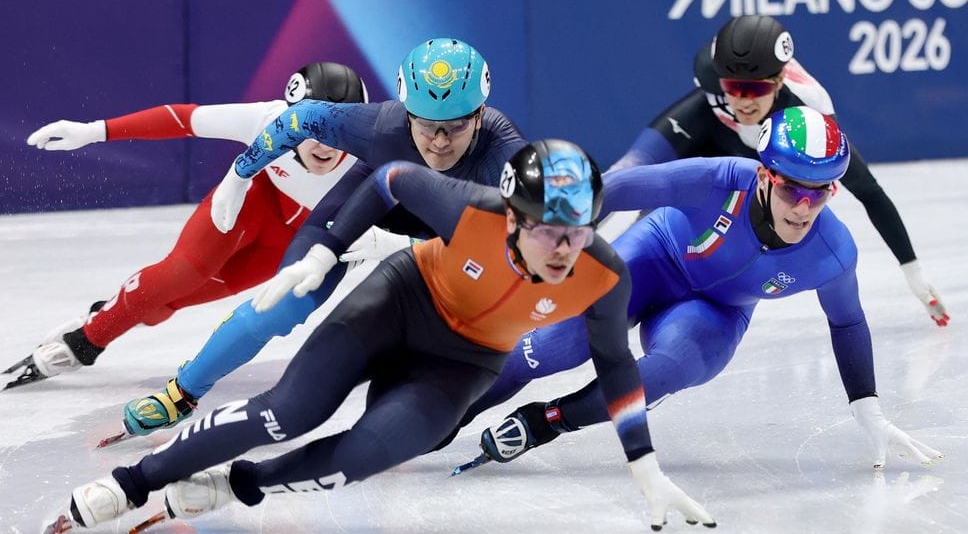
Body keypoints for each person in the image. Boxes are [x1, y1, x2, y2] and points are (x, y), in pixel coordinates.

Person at [50, 140, 716, 533]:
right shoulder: (472, 211)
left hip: (464, 362)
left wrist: (643, 463)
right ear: (512, 217)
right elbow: (388, 178)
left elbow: (616, 365)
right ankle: (136, 480)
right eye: (548, 231)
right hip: (400, 303)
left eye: (578, 231)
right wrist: (324, 248)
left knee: (365, 456)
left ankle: (238, 484)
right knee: (288, 412)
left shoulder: (603, 275)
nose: (565, 249)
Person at [450, 107, 944, 482]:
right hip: (655, 256)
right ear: (765, 176)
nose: (804, 207)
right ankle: (446, 406)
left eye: (821, 193)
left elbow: (848, 321)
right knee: (558, 345)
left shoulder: (832, 252)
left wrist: (867, 406)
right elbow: (613, 189)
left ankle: (547, 422)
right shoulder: (720, 180)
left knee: (670, 370)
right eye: (793, 190)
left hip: (714, 311)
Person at [118, 38, 527, 436]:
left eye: (455, 127)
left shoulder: (505, 156)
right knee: (282, 303)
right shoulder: (378, 125)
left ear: (480, 115)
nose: (439, 142)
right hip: (376, 200)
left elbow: (512, 254)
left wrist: (400, 247)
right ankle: (182, 393)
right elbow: (295, 120)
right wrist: (239, 175)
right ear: (406, 114)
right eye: (425, 125)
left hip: (452, 230)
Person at [7, 62, 368, 390]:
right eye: (310, 127)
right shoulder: (265, 119)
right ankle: (83, 342)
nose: (324, 143)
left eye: (337, 129)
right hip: (250, 203)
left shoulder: (372, 153)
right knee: (183, 273)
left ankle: (112, 311)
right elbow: (183, 119)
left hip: (295, 238)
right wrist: (95, 131)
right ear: (289, 118)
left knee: (169, 303)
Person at [610, 14, 947, 327]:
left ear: (779, 81)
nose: (744, 100)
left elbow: (869, 191)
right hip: (712, 128)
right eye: (733, 87)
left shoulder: (810, 112)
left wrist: (913, 272)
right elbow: (634, 174)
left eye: (755, 89)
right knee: (630, 174)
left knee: (668, 219)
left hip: (760, 145)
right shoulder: (710, 74)